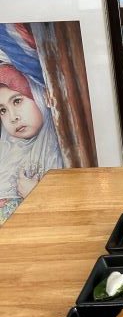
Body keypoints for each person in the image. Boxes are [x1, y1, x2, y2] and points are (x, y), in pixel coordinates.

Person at [0, 63, 63, 225]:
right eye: (2, 110)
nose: (13, 117)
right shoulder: (4, 151)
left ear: (41, 96)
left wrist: (37, 196)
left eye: (17, 101)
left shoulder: (65, 151)